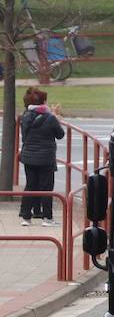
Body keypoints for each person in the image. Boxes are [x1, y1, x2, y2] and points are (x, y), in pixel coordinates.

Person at [18, 88, 65, 227]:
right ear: (43, 102)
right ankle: (47, 218)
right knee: (46, 188)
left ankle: (26, 217)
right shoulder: (49, 118)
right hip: (46, 158)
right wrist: (56, 116)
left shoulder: (25, 116)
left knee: (30, 186)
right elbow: (60, 134)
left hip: (29, 156)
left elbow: (25, 136)